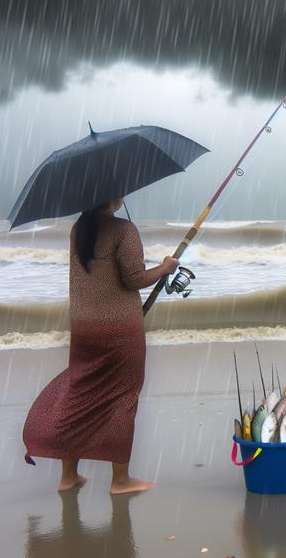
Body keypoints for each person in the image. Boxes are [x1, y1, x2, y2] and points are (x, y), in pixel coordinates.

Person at [22, 197, 179, 494]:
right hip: (120, 329)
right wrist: (166, 267)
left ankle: (68, 476)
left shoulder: (79, 229)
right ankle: (120, 480)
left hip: (84, 328)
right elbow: (134, 280)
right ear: (112, 196)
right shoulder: (124, 230)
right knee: (123, 397)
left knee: (80, 395)